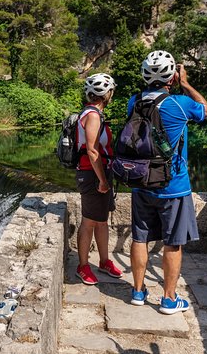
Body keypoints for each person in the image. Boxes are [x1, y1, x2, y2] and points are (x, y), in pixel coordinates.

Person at [127, 50, 207, 314]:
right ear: (172, 76)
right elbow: (206, 110)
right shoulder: (179, 104)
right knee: (173, 243)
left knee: (140, 238)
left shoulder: (134, 101)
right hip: (173, 186)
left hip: (140, 180)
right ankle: (168, 299)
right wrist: (185, 83)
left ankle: (138, 292)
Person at [75, 73, 123, 285]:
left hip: (99, 172)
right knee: (89, 221)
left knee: (102, 221)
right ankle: (83, 266)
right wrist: (102, 180)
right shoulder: (93, 116)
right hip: (92, 174)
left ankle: (104, 261)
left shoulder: (93, 114)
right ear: (107, 94)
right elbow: (93, 151)